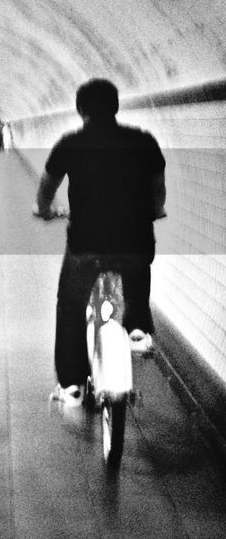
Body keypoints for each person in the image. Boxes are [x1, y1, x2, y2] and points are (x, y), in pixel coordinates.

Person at [33, 78, 166, 404]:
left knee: (70, 306)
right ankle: (137, 329)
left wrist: (45, 210)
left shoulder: (70, 143)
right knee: (137, 263)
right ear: (116, 107)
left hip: (86, 244)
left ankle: (71, 385)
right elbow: (157, 187)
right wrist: (156, 210)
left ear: (81, 110)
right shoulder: (144, 141)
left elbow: (47, 184)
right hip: (134, 241)